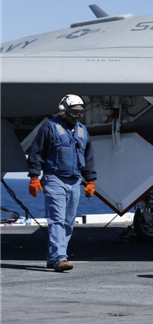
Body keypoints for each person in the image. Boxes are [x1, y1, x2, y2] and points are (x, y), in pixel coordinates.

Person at [27, 94, 97, 272]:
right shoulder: (49, 128)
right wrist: (34, 177)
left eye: (80, 112)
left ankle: (53, 257)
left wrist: (91, 181)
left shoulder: (82, 130)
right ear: (65, 111)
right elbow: (36, 153)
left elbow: (88, 158)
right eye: (74, 112)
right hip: (54, 179)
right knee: (57, 219)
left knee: (68, 221)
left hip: (74, 181)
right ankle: (60, 258)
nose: (77, 115)